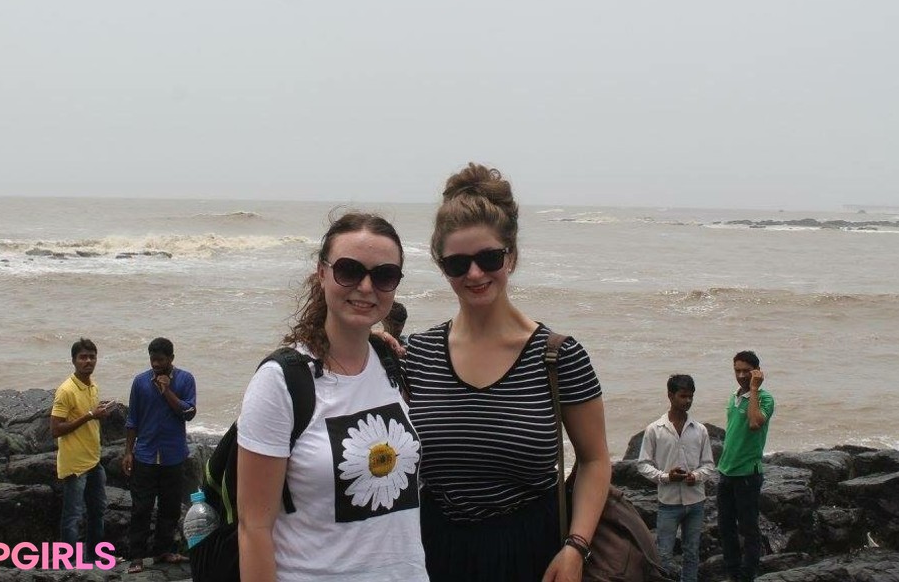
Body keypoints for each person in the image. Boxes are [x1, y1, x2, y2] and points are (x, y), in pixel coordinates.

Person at [405, 163, 610, 582]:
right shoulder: (416, 355)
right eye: (458, 263)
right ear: (442, 267)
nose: (475, 274)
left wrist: (576, 547)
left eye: (489, 258)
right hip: (433, 549)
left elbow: (594, 460)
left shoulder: (558, 356)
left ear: (511, 256)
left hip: (532, 550)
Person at [236, 212, 427, 582]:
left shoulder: (393, 363)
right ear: (321, 273)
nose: (366, 287)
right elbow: (253, 528)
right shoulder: (281, 381)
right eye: (349, 270)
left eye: (384, 275)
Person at [122, 337, 198, 574]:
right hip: (145, 455)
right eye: (152, 360)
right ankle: (136, 557)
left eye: (161, 360)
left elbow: (189, 412)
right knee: (141, 508)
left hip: (173, 455)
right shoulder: (140, 382)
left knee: (170, 507)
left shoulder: (185, 379)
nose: (155, 364)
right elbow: (132, 419)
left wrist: (167, 391)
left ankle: (163, 551)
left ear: (171, 359)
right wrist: (128, 452)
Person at [637, 374, 715, 582]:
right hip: (668, 503)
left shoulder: (700, 430)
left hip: (695, 501)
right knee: (663, 554)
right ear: (670, 396)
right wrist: (665, 477)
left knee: (692, 552)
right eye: (683, 396)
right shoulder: (655, 430)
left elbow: (709, 464)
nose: (687, 401)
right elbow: (643, 464)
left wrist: (696, 476)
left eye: (691, 396)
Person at [50, 338, 113, 559]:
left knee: (98, 511)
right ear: (74, 360)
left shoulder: (92, 385)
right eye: (83, 357)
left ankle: (94, 558)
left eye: (92, 357)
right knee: (73, 516)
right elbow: (55, 429)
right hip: (74, 465)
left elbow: (91, 418)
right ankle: (67, 564)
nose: (88, 361)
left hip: (94, 460)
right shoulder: (66, 390)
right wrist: (89, 415)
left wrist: (98, 414)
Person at [716, 350, 775, 582]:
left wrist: (754, 389)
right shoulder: (734, 397)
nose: (741, 375)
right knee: (725, 527)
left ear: (756, 372)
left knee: (749, 529)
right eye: (737, 370)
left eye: (746, 371)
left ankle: (747, 576)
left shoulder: (765, 398)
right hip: (726, 471)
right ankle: (733, 574)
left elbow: (754, 423)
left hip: (748, 474)